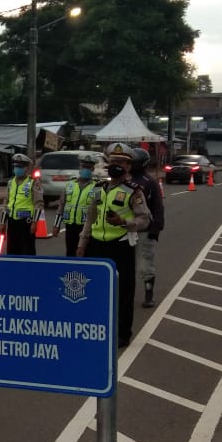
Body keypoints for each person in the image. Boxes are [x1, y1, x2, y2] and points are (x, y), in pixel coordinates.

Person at [77, 143, 151, 348]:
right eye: (113, 161)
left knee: (124, 292)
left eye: (121, 162)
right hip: (96, 246)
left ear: (128, 166)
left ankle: (123, 334)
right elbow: (90, 219)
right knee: (94, 290)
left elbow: (144, 220)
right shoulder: (99, 189)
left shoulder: (134, 192)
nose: (115, 165)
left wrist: (124, 223)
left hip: (120, 246)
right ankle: (97, 328)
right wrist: (82, 243)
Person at [129, 147, 165, 308]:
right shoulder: (124, 179)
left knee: (146, 265)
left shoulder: (149, 182)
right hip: (124, 229)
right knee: (125, 266)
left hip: (144, 231)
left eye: (134, 162)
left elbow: (158, 207)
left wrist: (155, 229)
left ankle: (148, 294)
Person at [52, 153, 98, 257]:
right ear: (79, 168)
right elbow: (61, 206)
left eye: (89, 167)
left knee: (86, 254)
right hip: (70, 226)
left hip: (87, 227)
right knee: (70, 253)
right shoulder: (70, 185)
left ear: (93, 169)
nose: (86, 170)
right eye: (83, 167)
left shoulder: (97, 186)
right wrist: (56, 225)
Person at [1, 153, 44, 255]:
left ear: (26, 168)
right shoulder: (10, 183)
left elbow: (39, 204)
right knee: (12, 250)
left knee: (27, 251)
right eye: (15, 166)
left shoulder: (33, 183)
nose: (17, 169)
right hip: (12, 222)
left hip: (26, 223)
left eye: (20, 167)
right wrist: (3, 222)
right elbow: (6, 203)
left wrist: (35, 222)